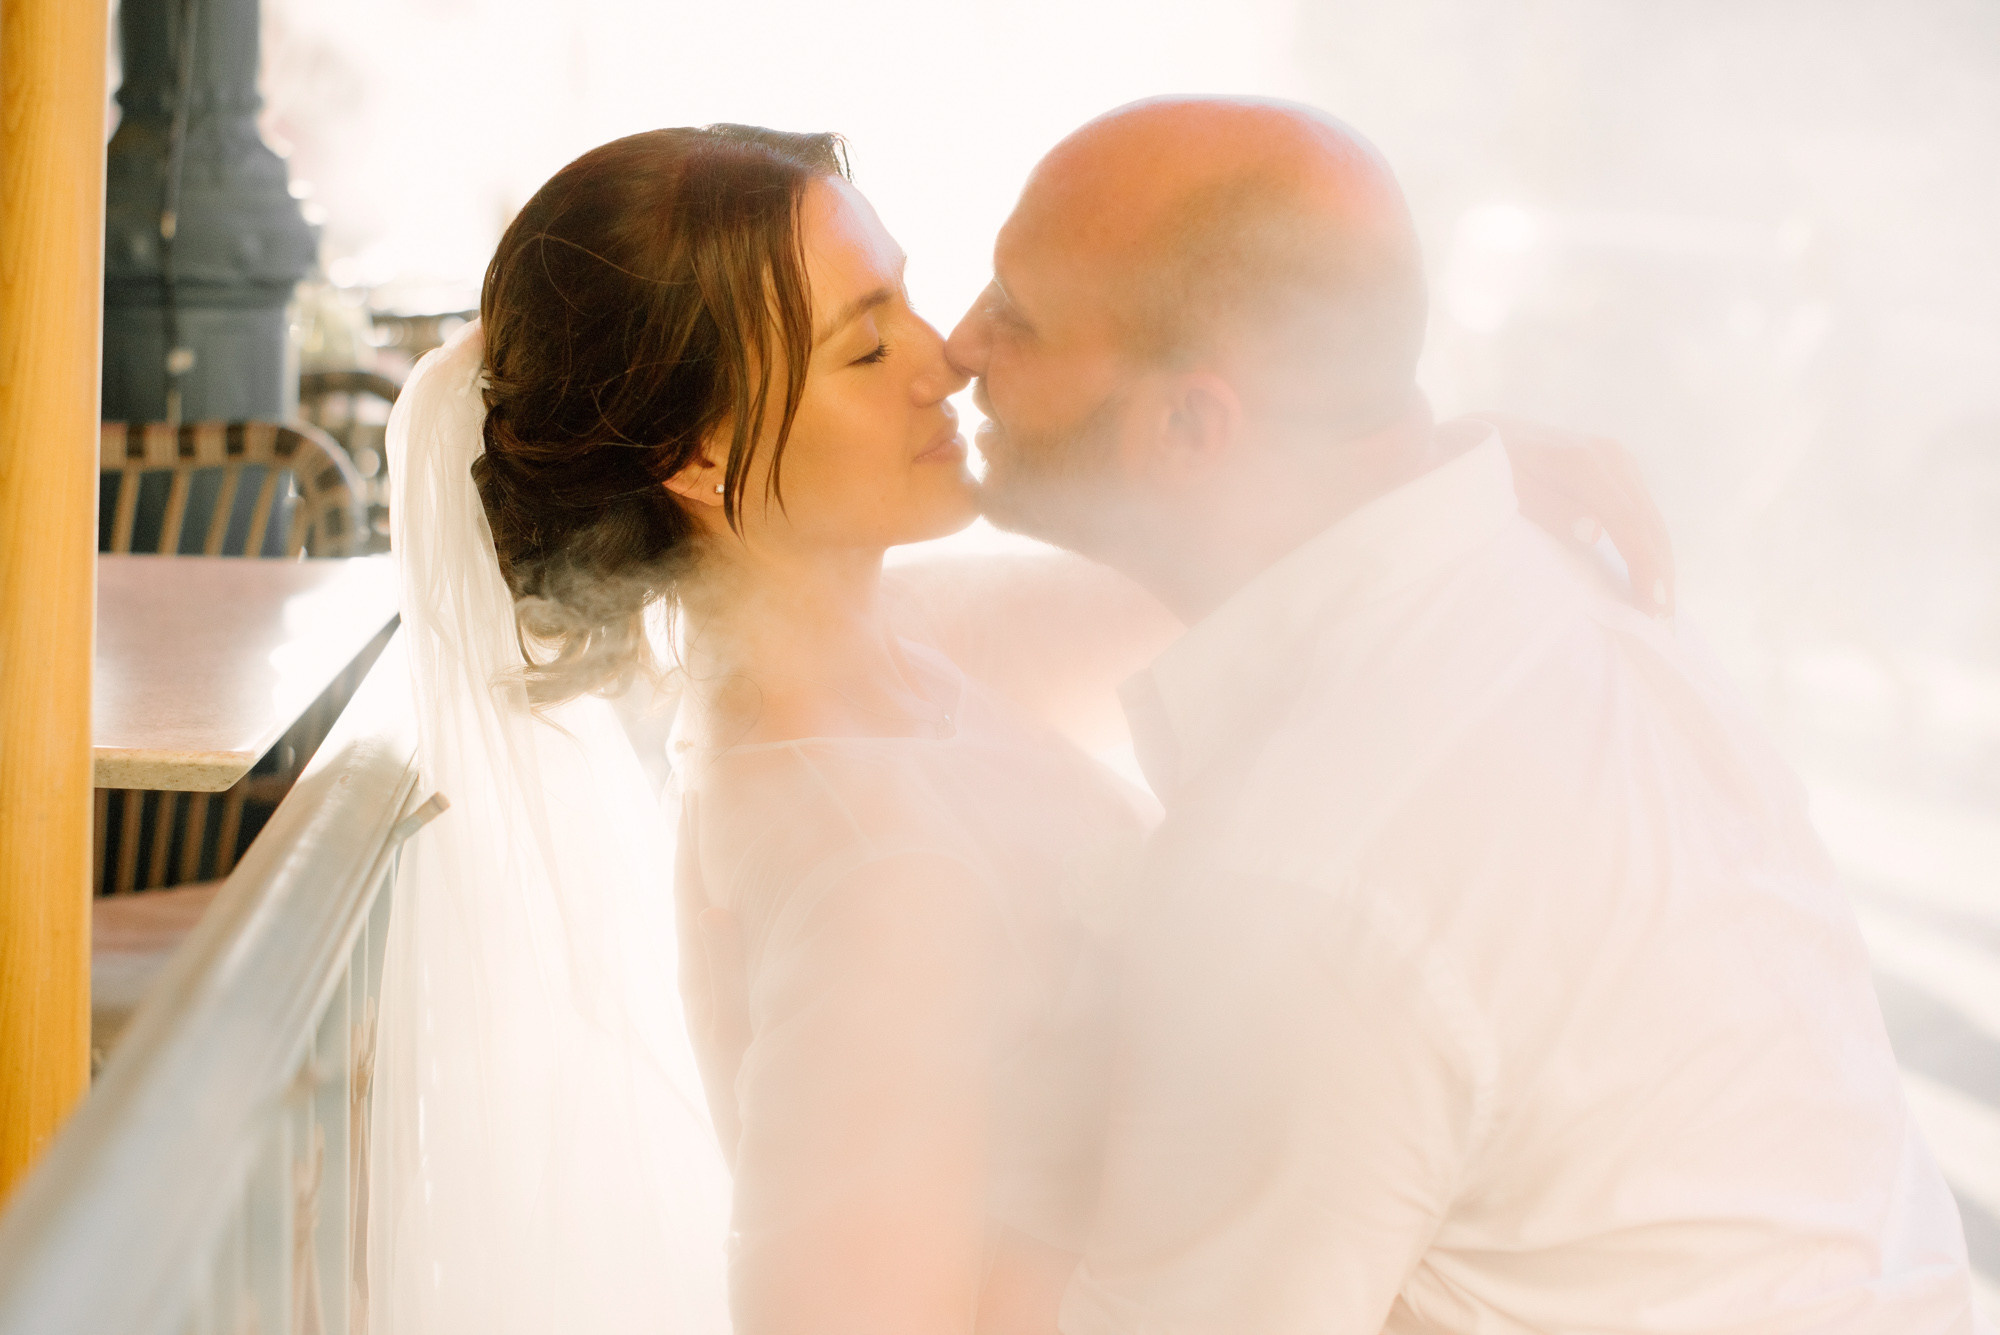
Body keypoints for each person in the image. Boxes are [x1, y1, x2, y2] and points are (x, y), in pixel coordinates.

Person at [375, 122, 1674, 1335]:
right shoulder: (868, 868)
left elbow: (1219, 550)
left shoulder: (895, 651)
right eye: (866, 346)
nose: (945, 359)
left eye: (907, 295)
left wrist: (1429, 455)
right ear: (700, 459)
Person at [943, 96, 1990, 1334]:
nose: (957, 344)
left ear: (1191, 423)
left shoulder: (1299, 871)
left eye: (1016, 312)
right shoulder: (1552, 574)